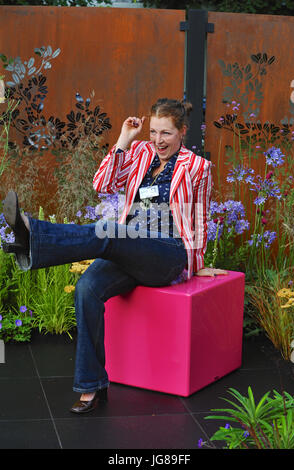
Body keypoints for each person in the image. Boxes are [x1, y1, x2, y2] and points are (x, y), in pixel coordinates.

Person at [2, 98, 227, 414]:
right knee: (86, 289)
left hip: (167, 252)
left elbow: (199, 216)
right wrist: (124, 140)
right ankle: (92, 385)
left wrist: (196, 263)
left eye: (166, 133)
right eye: (154, 132)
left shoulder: (197, 167)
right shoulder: (141, 154)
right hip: (128, 246)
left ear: (182, 132)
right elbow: (102, 184)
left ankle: (32, 236)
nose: (158, 140)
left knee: (108, 231)